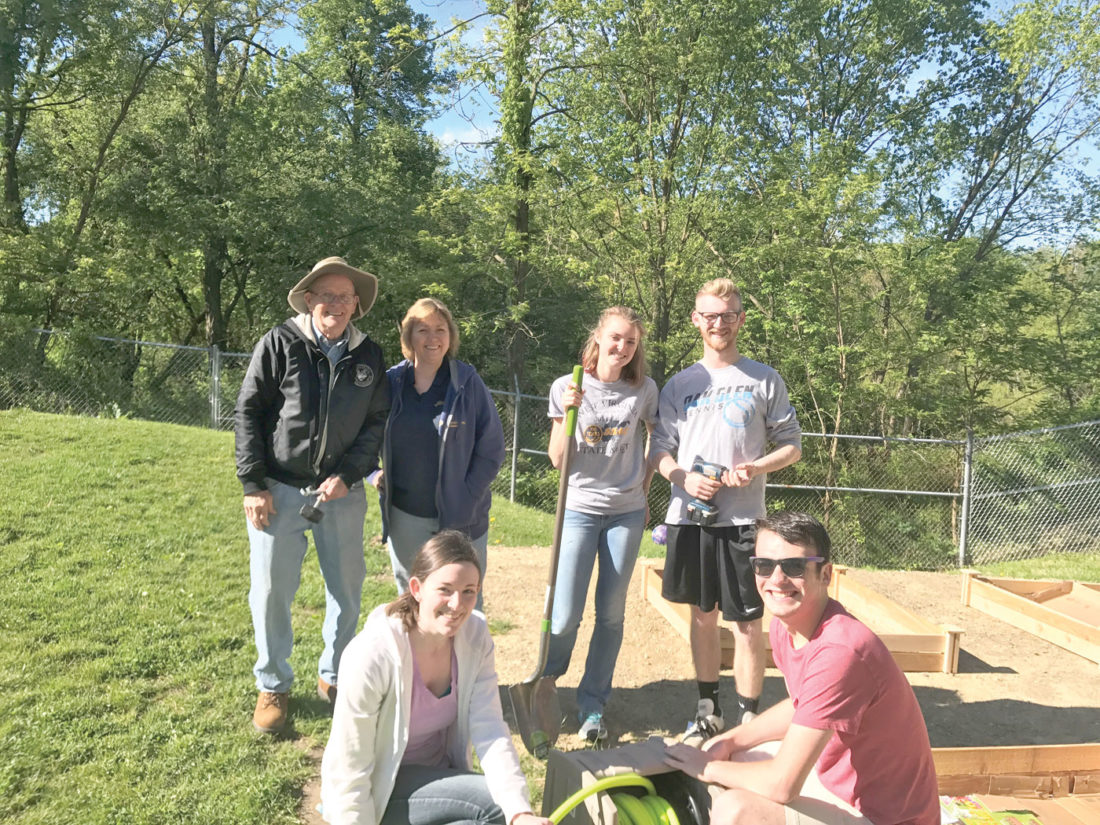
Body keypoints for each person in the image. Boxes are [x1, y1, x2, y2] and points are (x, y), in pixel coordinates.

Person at [663, 511, 939, 825]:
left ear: (826, 574)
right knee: (739, 755)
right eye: (764, 565)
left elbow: (782, 785)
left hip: (888, 818)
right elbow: (803, 705)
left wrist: (705, 767)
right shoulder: (788, 627)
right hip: (843, 792)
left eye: (794, 567)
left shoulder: (840, 651)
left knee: (736, 810)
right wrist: (729, 741)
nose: (777, 579)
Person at [235, 256, 390, 734]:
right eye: (326, 295)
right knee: (271, 592)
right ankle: (273, 685)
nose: (335, 305)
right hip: (278, 489)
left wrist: (348, 474)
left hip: (341, 493)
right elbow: (248, 412)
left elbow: (375, 425)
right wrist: (253, 484)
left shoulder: (370, 356)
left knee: (346, 591)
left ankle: (335, 676)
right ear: (309, 300)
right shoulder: (279, 343)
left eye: (345, 297)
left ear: (356, 304)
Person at [650, 277, 801, 744]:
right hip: (690, 518)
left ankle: (749, 717)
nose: (720, 324)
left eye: (728, 315)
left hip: (743, 522)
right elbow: (659, 451)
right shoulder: (680, 384)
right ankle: (708, 710)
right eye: (711, 316)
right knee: (702, 615)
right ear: (696, 320)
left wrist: (755, 468)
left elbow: (792, 446)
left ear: (741, 319)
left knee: (748, 622)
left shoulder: (764, 379)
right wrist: (683, 478)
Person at [320, 530, 552, 825]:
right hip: (379, 789)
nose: (457, 604)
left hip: (437, 779)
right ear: (416, 588)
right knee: (493, 807)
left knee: (482, 819)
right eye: (445, 589)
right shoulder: (372, 654)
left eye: (469, 591)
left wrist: (520, 812)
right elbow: (350, 760)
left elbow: (490, 728)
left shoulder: (475, 637)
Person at [538, 306, 659, 742]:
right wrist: (567, 413)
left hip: (626, 511)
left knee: (610, 613)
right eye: (616, 338)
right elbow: (557, 459)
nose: (622, 348)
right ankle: (547, 684)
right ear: (598, 338)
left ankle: (592, 704)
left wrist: (644, 485)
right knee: (565, 614)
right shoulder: (567, 386)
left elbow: (658, 435)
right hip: (579, 508)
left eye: (630, 342)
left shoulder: (644, 389)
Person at [373, 297, 505, 612]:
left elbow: (492, 449)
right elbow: (363, 434)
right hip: (406, 516)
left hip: (462, 519)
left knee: (464, 604)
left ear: (450, 336)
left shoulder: (467, 384)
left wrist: (465, 497)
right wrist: (372, 472)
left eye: (440, 329)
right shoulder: (391, 383)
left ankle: (465, 650)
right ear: (408, 337)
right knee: (413, 601)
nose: (432, 338)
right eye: (422, 330)